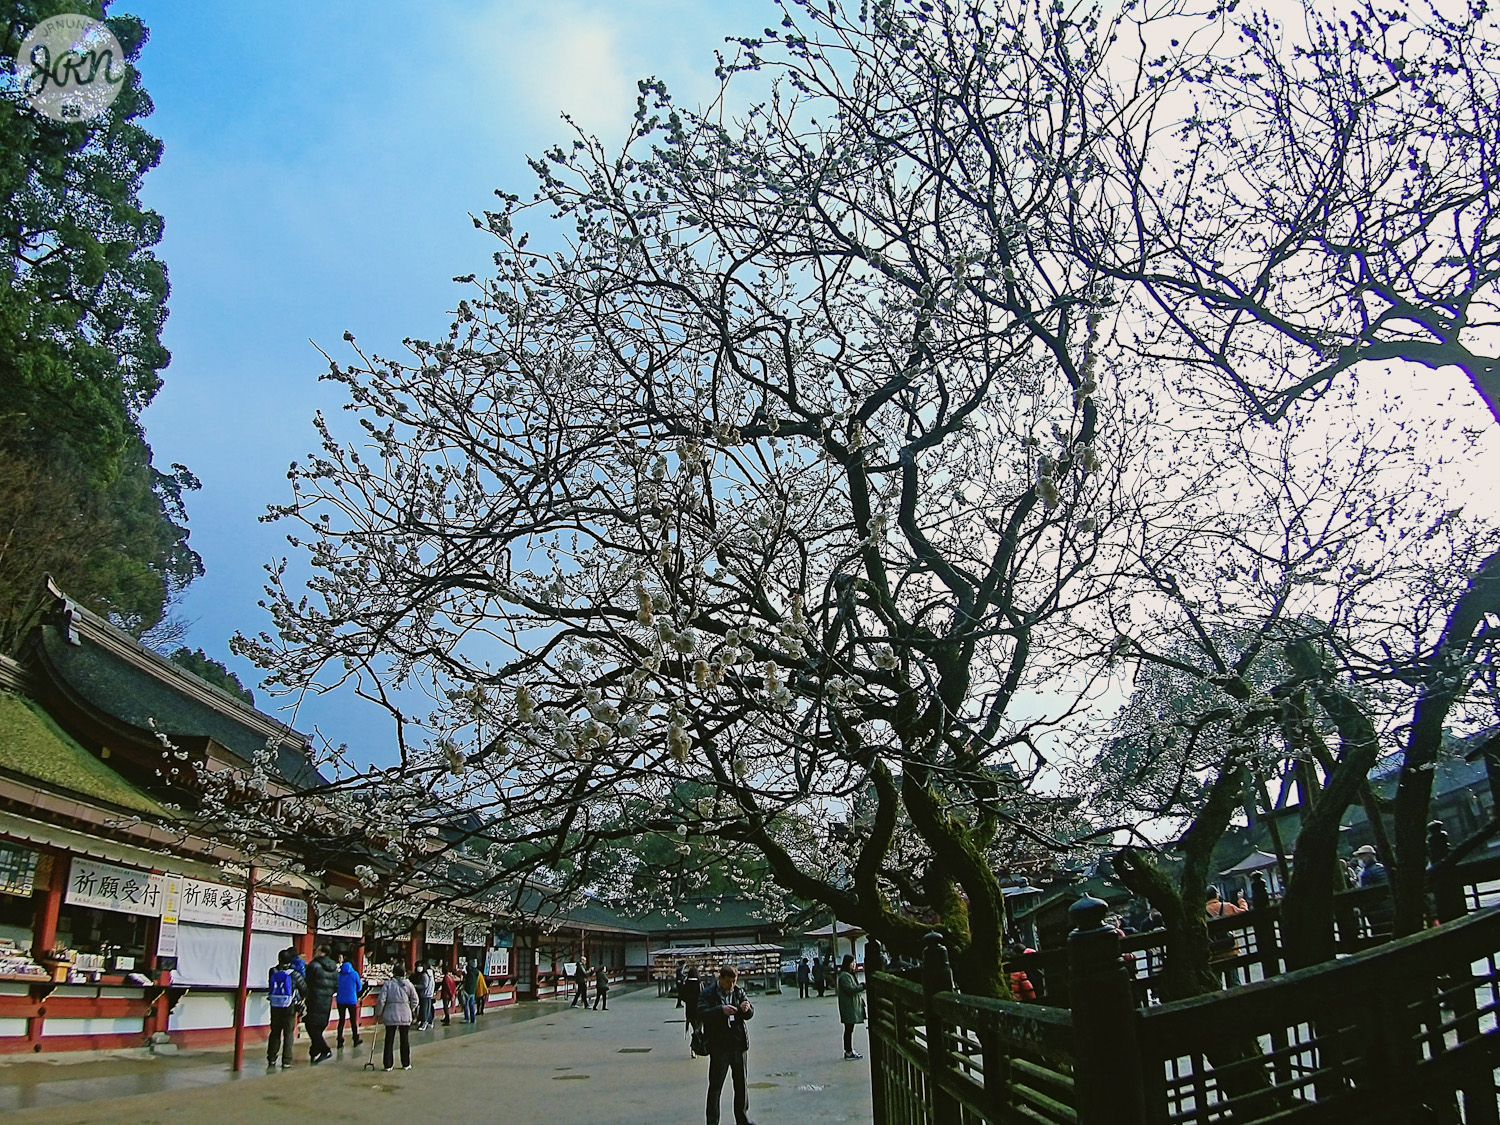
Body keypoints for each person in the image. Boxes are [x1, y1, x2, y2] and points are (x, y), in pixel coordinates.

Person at [697, 965, 756, 1125]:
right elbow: (701, 1013)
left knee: (741, 1085)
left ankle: (742, 1119)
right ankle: (712, 1121)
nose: (731, 986)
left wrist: (747, 1009)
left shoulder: (738, 992)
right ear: (720, 979)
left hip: (738, 1044)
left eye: (734, 982)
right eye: (728, 982)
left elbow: (750, 1014)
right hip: (719, 1045)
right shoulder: (708, 993)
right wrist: (720, 1010)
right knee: (715, 1086)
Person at [375, 962, 420, 1071]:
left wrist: (378, 1013)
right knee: (404, 1040)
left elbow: (381, 1000)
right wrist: (410, 1008)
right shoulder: (408, 984)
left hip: (390, 1013)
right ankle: (406, 1063)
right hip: (404, 1013)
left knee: (389, 1040)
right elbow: (415, 1000)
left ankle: (388, 1064)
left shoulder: (388, 984)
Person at [266, 949, 305, 1070]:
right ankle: (286, 1060)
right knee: (288, 1033)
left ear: (279, 959)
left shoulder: (273, 971)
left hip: (275, 1006)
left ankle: (272, 1058)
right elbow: (304, 989)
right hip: (290, 1006)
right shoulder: (294, 974)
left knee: (275, 1032)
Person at [303, 943, 338, 1064]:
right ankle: (314, 1051)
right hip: (326, 1001)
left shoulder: (314, 965)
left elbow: (306, 982)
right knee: (318, 1027)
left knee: (310, 1026)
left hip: (314, 999)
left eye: (317, 949)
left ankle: (325, 1050)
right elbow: (336, 986)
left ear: (321, 951)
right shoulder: (334, 968)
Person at [1206, 885, 1245, 986]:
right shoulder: (1227, 906)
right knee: (1234, 982)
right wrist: (1241, 900)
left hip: (1213, 952)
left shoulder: (1202, 912)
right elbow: (1244, 914)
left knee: (1216, 983)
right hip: (1230, 950)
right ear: (1217, 895)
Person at [836, 953, 865, 1060]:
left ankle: (849, 1050)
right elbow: (850, 989)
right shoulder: (844, 976)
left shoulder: (848, 974)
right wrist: (861, 986)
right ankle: (848, 1051)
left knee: (849, 1029)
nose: (854, 964)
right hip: (848, 1007)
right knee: (848, 1030)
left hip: (850, 1006)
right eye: (853, 962)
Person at [335, 951, 363, 1049]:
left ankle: (339, 1040)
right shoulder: (354, 974)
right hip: (351, 1000)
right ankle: (355, 1038)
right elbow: (359, 987)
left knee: (341, 1020)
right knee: (353, 1020)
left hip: (340, 1000)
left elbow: (336, 985)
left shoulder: (339, 974)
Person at [412, 960, 435, 1030]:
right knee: (427, 1009)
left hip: (424, 994)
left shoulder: (424, 975)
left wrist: (415, 986)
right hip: (429, 993)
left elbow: (424, 985)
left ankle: (423, 1023)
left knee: (424, 1009)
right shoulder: (430, 974)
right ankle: (429, 1022)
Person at [461, 958, 480, 1023]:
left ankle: (467, 1018)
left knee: (466, 1005)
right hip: (473, 991)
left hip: (468, 991)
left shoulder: (470, 974)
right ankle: (473, 1018)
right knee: (472, 1005)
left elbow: (467, 982)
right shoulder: (477, 973)